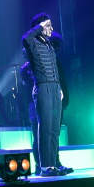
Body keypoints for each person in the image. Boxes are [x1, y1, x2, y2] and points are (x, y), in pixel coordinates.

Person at [21, 32, 73, 176]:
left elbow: (61, 81)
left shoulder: (55, 62)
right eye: (53, 44)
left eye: (57, 45)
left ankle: (55, 163)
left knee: (53, 133)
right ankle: (41, 165)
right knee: (40, 134)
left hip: (55, 99)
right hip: (36, 102)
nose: (55, 48)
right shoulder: (28, 66)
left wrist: (64, 98)